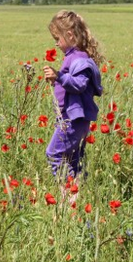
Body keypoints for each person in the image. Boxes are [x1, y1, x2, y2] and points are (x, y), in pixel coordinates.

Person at [42, 10, 104, 189]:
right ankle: (78, 198)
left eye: (57, 39)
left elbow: (79, 84)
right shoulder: (73, 57)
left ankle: (69, 196)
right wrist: (57, 78)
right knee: (73, 160)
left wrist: (59, 76)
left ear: (69, 35)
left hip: (73, 120)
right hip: (71, 119)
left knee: (54, 154)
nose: (56, 44)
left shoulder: (79, 59)